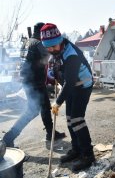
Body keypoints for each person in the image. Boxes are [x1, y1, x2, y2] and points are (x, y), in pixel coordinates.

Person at [40, 23, 95, 171]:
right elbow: (60, 71)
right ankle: (76, 149)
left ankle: (88, 155)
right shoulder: (57, 51)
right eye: (48, 47)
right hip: (71, 86)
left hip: (82, 85)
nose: (51, 50)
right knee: (70, 119)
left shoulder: (71, 54)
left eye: (53, 47)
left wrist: (57, 102)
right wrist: (54, 74)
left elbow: (70, 82)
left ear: (60, 41)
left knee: (77, 119)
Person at [2, 23, 65, 147]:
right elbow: (48, 57)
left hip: (30, 80)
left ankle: (50, 133)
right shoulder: (38, 43)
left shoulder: (26, 43)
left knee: (45, 107)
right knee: (32, 111)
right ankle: (8, 137)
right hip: (34, 82)